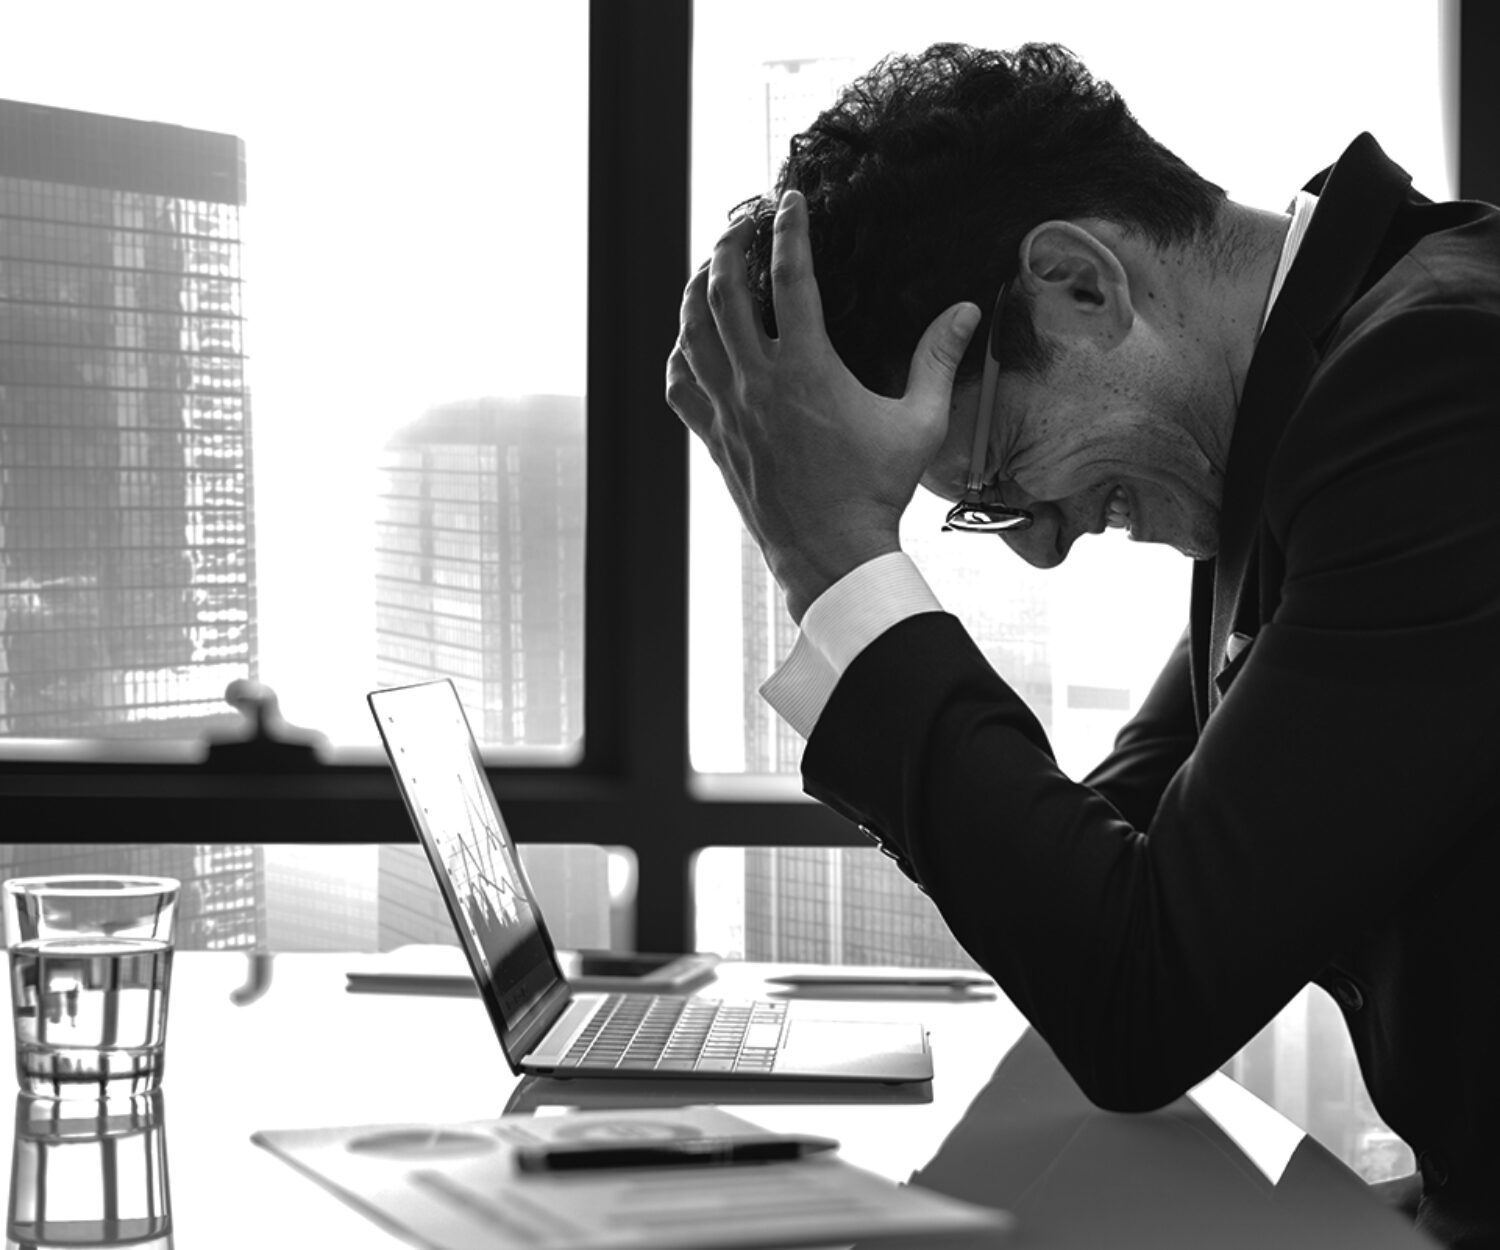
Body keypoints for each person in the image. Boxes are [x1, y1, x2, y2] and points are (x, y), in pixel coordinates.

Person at [665, 42, 1500, 1250]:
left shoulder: (1433, 391)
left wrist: (832, 557)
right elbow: (1123, 858)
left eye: (1002, 477)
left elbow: (1137, 993)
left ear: (1078, 283)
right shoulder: (1301, 402)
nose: (1042, 550)